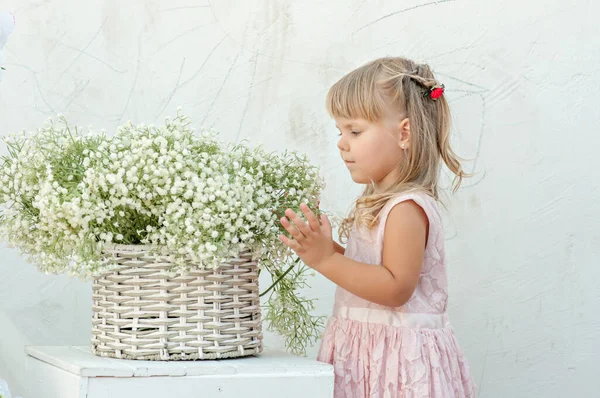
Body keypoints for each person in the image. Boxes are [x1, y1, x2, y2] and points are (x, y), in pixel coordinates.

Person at [279, 56, 476, 397]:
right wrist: (328, 250)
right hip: (368, 356)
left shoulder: (405, 209)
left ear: (404, 133)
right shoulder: (381, 202)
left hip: (398, 367)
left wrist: (325, 259)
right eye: (339, 131)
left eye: (354, 130)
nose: (342, 142)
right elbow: (372, 273)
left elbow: (395, 287)